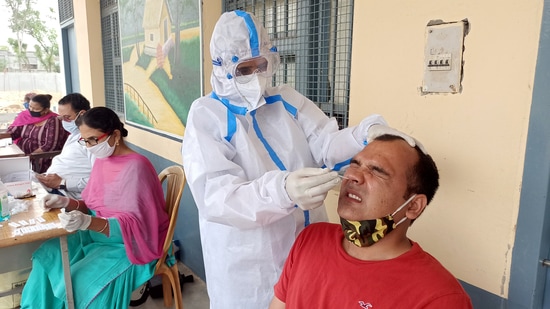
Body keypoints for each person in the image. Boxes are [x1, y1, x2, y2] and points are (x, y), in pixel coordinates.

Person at [181, 10, 387, 308]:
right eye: (244, 69)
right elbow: (216, 196)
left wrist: (364, 135)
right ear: (222, 66)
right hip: (249, 261)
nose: (256, 76)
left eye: (261, 65)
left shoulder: (286, 100)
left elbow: (327, 144)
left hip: (307, 244)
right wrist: (283, 191)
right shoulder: (206, 116)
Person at [269, 127, 474, 308]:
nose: (352, 176)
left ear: (412, 206)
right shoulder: (311, 239)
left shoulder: (440, 297)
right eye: (354, 164)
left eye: (377, 171)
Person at [20, 107, 170, 309]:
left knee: (78, 283)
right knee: (47, 257)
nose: (89, 146)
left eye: (93, 140)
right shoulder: (103, 161)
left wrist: (88, 221)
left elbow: (138, 227)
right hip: (97, 234)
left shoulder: (137, 167)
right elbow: (93, 205)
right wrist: (67, 203)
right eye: (84, 140)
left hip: (127, 244)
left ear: (115, 135)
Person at [35, 93, 95, 199]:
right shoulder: (74, 135)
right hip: (52, 187)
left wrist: (62, 183)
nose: (63, 121)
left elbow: (100, 182)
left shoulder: (93, 141)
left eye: (67, 117)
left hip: (65, 194)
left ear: (82, 114)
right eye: (61, 117)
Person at [0, 94, 68, 172]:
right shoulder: (26, 116)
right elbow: (13, 133)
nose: (31, 110)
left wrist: (30, 156)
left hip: (41, 159)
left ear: (46, 110)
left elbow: (49, 146)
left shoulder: (53, 121)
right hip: (23, 156)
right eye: (30, 107)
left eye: (35, 109)